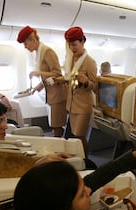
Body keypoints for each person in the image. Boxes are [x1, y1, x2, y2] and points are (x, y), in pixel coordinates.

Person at [14, 145, 136, 210]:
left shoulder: (54, 203)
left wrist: (135, 156)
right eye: (82, 194)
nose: (88, 190)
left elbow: (96, 178)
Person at [17, 26, 68, 137]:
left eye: (26, 44)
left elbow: (57, 74)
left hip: (58, 96)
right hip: (51, 95)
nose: (25, 47)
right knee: (54, 125)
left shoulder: (47, 51)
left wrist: (39, 73)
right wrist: (36, 88)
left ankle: (59, 147)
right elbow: (47, 77)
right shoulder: (39, 53)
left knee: (56, 125)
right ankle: (59, 145)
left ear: (33, 40)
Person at [55, 26, 97, 157]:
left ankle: (85, 160)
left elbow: (94, 87)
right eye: (70, 45)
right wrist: (60, 80)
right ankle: (76, 158)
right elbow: (70, 78)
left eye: (74, 44)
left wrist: (85, 81)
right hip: (71, 104)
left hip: (84, 106)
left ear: (82, 41)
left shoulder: (90, 62)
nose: (72, 48)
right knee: (74, 135)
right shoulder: (71, 59)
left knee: (79, 136)